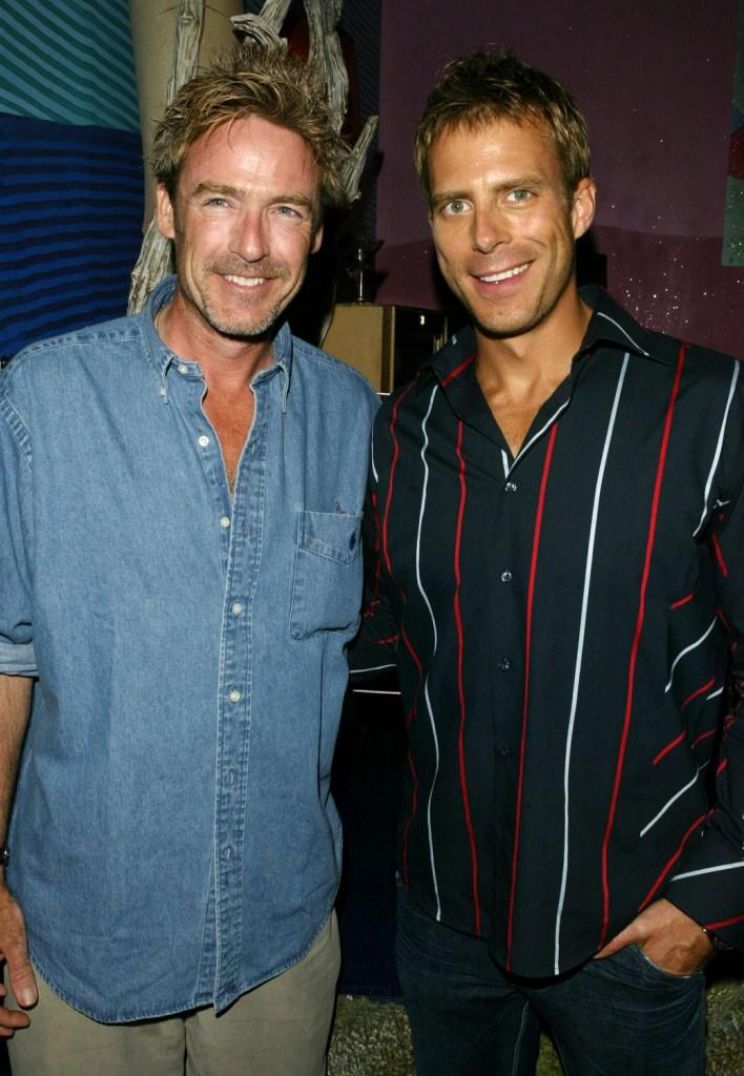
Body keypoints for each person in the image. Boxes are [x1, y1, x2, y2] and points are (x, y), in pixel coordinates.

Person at [352, 50, 744, 1075]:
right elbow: (382, 640)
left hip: (632, 925)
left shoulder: (707, 411)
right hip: (444, 915)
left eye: (517, 193)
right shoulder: (404, 430)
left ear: (579, 205)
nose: (486, 235)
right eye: (455, 204)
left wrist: (709, 898)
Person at [0, 43, 378, 1076]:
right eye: (220, 201)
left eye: (286, 209)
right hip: (85, 952)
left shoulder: (352, 418)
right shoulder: (43, 403)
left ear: (318, 230)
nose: (251, 246)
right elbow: (5, 658)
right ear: (167, 209)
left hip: (280, 945)